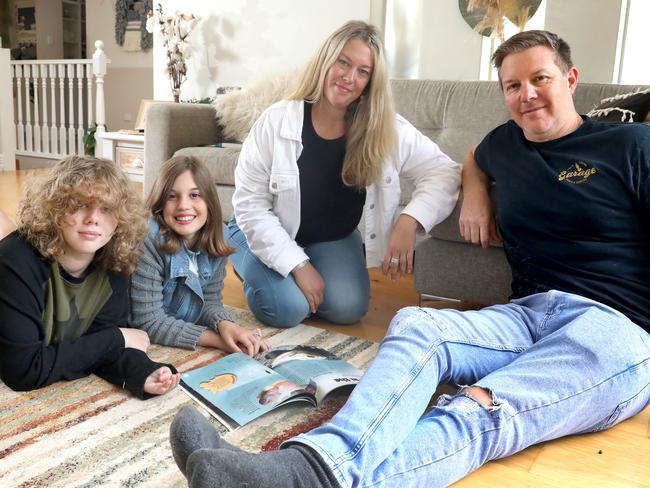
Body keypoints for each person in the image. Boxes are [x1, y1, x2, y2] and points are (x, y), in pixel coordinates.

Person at [167, 30, 650, 487]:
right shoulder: (506, 143)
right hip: (527, 314)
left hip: (615, 327)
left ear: (570, 79)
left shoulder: (630, 145)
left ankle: (292, 474)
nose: (527, 94)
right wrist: (477, 186)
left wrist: (411, 219)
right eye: (513, 85)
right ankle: (301, 471)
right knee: (417, 324)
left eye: (540, 79)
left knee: (479, 408)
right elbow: (471, 158)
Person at [228, 20, 461, 328]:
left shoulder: (385, 127)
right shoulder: (275, 121)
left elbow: (443, 171)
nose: (349, 78)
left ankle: (293, 276)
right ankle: (250, 264)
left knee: (348, 309)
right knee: (285, 309)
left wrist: (409, 221)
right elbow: (251, 206)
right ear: (326, 60)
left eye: (362, 71)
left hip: (332, 237)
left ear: (370, 81)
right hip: (261, 230)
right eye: (343, 62)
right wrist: (298, 266)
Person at [0, 156, 180, 399]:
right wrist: (117, 337)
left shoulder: (115, 261)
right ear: (55, 207)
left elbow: (97, 342)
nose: (94, 218)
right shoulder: (16, 260)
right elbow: (23, 372)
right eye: (80, 204)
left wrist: (141, 372)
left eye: (106, 208)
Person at [129, 155, 269, 355]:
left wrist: (227, 325)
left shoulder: (218, 236)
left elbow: (209, 302)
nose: (183, 205)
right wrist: (218, 340)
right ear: (160, 202)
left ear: (209, 201)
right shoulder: (147, 239)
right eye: (172, 196)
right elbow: (149, 321)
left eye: (194, 195)